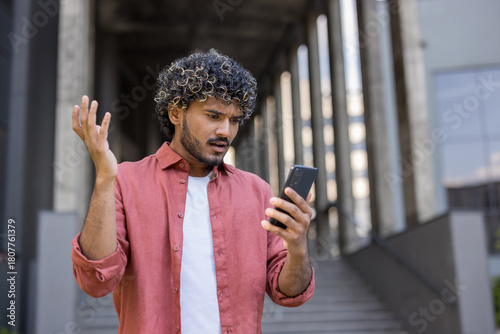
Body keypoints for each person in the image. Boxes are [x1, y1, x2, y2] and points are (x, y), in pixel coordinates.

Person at [71, 49, 315, 334]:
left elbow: (288, 293)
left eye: (234, 120)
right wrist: (104, 179)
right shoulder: (126, 180)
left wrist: (297, 247)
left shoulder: (257, 191)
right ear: (176, 112)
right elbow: (96, 281)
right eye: (214, 115)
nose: (225, 131)